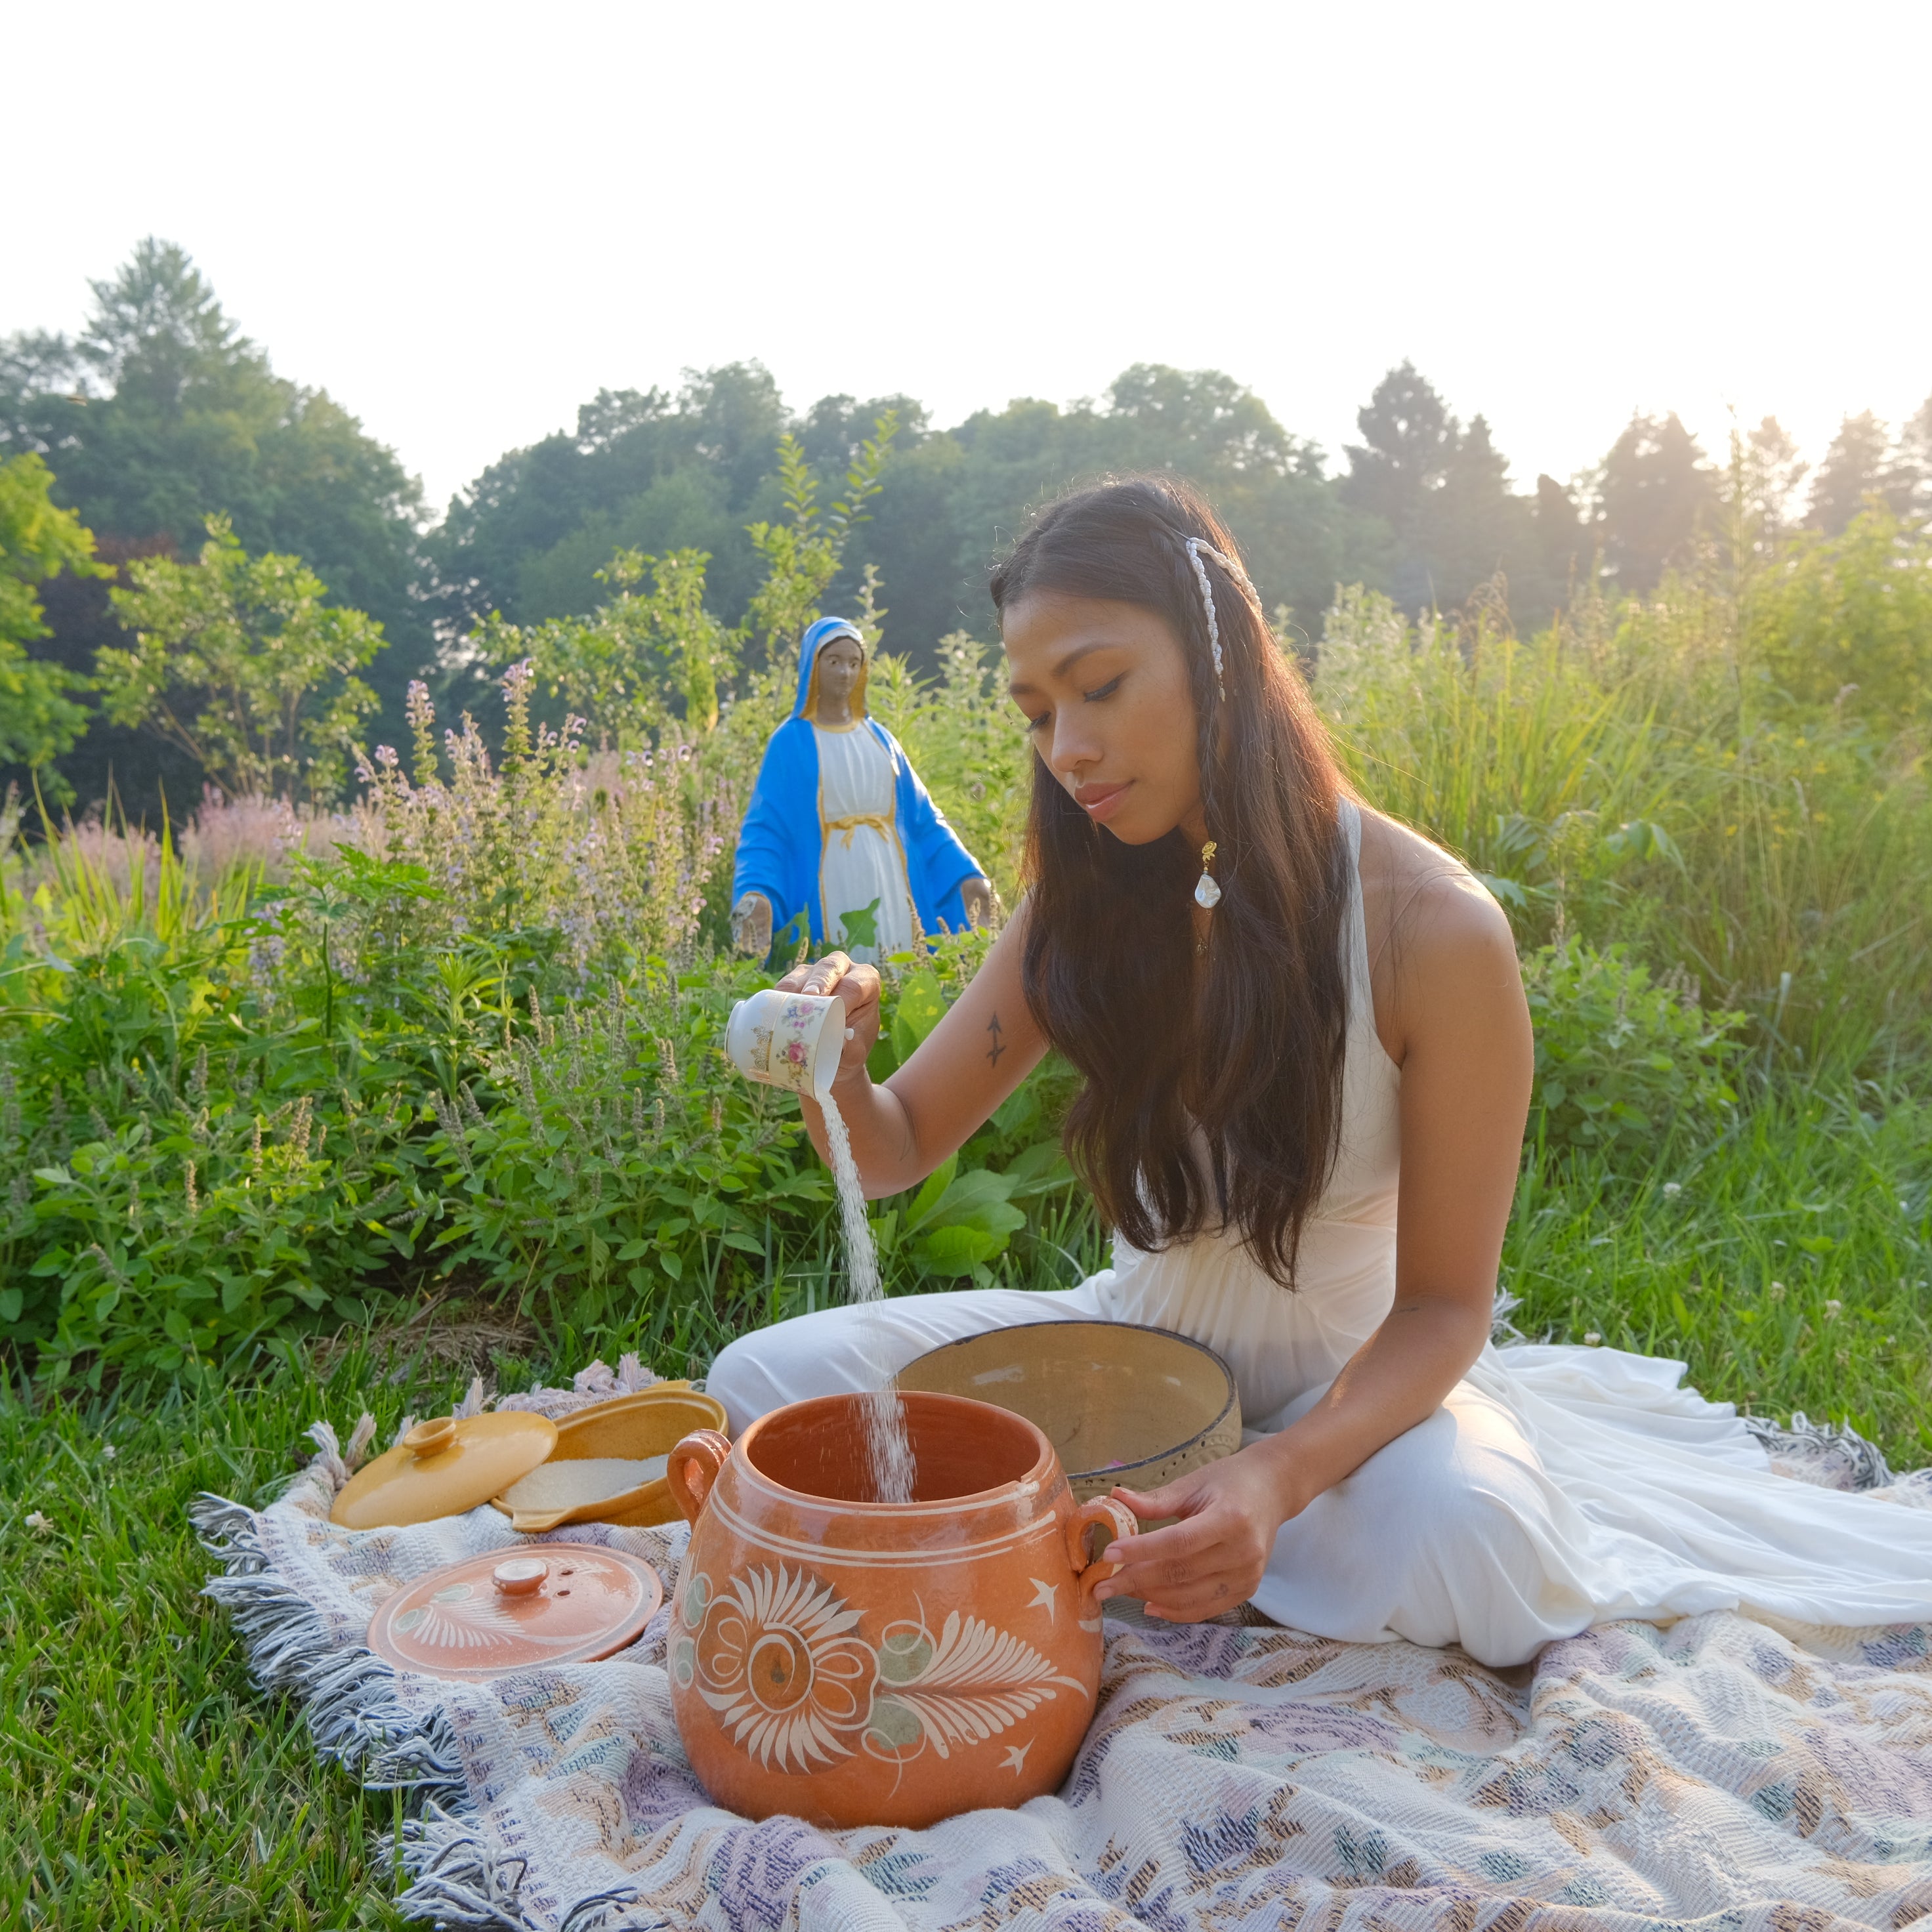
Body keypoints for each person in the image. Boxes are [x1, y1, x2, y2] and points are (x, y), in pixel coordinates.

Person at [708, 478, 1932, 1668]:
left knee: (1465, 1533)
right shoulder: (1077, 899)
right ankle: (1128, 1515)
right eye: (1036, 711)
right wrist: (836, 1070)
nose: (1068, 749)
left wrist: (1272, 1474)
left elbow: (1444, 1309)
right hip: (1118, 1365)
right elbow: (897, 1141)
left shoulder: (1430, 930)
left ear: (1218, 656)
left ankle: (1133, 1527)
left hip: (1348, 1411)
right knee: (759, 1380)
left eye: (1100, 685)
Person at [730, 616, 992, 963]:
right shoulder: (790, 743)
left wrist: (966, 874)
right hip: (830, 882)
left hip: (892, 884)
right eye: (834, 661)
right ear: (812, 666)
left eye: (854, 663)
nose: (844, 673)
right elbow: (767, 831)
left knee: (898, 969)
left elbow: (925, 821)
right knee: (835, 976)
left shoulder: (882, 740)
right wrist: (756, 891)